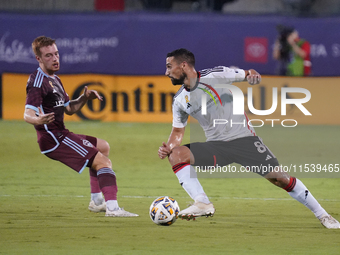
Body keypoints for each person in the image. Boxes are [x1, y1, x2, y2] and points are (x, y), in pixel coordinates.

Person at [158, 48, 339, 229]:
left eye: (169, 67)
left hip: (245, 141)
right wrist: (169, 146)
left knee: (280, 178)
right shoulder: (180, 100)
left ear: (183, 65)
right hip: (216, 147)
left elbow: (249, 74)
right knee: (176, 155)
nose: (166, 72)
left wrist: (253, 76)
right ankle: (202, 202)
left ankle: (323, 215)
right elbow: (177, 132)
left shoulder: (215, 75)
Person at [24, 36, 138, 217]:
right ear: (38, 59)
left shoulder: (55, 79)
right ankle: (113, 208)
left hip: (61, 133)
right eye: (48, 56)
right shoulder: (38, 81)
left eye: (56, 54)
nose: (55, 59)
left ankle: (97, 201)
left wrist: (84, 98)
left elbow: (69, 109)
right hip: (53, 139)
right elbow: (27, 113)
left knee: (103, 147)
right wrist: (38, 120)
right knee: (104, 162)